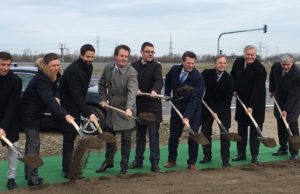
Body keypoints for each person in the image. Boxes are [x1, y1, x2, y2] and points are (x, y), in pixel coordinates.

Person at [20, 53, 74, 186]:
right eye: (53, 66)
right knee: (34, 144)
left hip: (37, 114)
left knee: (31, 144)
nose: (56, 68)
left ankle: (29, 173)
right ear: (46, 65)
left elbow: (56, 89)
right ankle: (33, 178)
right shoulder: (41, 79)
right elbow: (49, 100)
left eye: (58, 65)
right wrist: (65, 114)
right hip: (28, 114)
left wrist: (56, 95)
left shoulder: (54, 75)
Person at [96, 44, 138, 175]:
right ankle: (108, 162)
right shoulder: (108, 67)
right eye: (121, 56)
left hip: (125, 111)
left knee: (126, 140)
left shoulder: (132, 72)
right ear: (115, 56)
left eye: (126, 56)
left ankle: (124, 166)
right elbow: (102, 83)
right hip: (111, 110)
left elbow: (132, 91)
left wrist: (129, 108)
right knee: (109, 138)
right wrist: (103, 98)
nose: (124, 59)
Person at [59, 44, 98, 178]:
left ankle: (69, 167)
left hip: (77, 105)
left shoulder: (89, 66)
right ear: (81, 55)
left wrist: (84, 110)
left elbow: (82, 91)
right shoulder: (74, 71)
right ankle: (67, 170)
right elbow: (76, 94)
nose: (90, 59)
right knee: (69, 138)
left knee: (72, 137)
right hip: (67, 107)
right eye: (87, 56)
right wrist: (88, 112)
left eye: (92, 57)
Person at [164, 51, 205, 170]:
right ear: (182, 62)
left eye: (193, 63)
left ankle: (192, 162)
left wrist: (187, 116)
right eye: (188, 63)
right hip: (177, 108)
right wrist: (167, 94)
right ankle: (171, 160)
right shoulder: (174, 70)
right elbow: (167, 80)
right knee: (173, 136)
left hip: (193, 111)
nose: (191, 65)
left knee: (193, 136)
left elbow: (196, 100)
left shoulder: (198, 78)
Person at [129, 42, 163, 172]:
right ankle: (138, 161)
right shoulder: (133, 66)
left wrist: (155, 90)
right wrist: (135, 88)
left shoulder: (156, 66)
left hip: (153, 107)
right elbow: (130, 81)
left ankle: (155, 163)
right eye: (147, 51)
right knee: (140, 136)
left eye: (152, 52)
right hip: (140, 106)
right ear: (141, 52)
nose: (150, 54)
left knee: (153, 136)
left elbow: (159, 80)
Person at [230, 45, 267, 164]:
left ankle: (254, 156)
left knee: (255, 132)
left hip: (257, 104)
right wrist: (234, 88)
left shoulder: (260, 70)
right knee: (242, 130)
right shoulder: (238, 62)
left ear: (255, 55)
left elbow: (258, 90)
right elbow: (233, 75)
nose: (250, 57)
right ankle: (241, 154)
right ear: (244, 54)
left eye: (253, 55)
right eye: (248, 54)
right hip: (241, 102)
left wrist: (251, 106)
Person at [200, 55, 234, 167]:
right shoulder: (206, 73)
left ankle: (225, 159)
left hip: (222, 110)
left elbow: (227, 100)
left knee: (225, 133)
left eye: (224, 63)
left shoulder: (229, 80)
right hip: (207, 107)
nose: (222, 65)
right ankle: (207, 155)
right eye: (220, 63)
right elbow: (199, 85)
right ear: (215, 63)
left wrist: (217, 112)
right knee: (205, 132)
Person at [269, 54, 300, 160]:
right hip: (279, 98)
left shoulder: (297, 73)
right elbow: (272, 77)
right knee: (280, 121)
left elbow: (294, 94)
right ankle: (283, 148)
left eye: (288, 65)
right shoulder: (276, 67)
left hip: (295, 100)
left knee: (291, 123)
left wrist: (286, 109)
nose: (285, 67)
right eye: (283, 64)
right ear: (280, 63)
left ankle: (294, 151)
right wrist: (272, 90)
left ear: (292, 63)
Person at [0, 52, 22, 190]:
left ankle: (11, 178)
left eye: (8, 65)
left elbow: (12, 106)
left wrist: (3, 127)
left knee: (13, 147)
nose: (5, 68)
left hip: (10, 119)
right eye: (2, 64)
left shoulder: (16, 81)